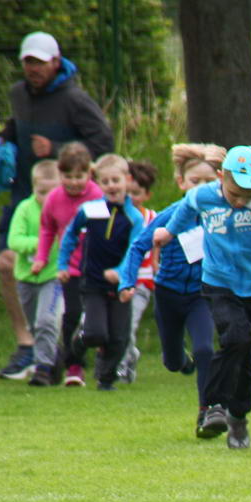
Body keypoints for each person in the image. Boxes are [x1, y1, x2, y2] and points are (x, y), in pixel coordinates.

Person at [119, 145, 251, 449]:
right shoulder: (204, 195)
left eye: (248, 195)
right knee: (236, 337)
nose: (240, 201)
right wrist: (168, 233)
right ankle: (213, 406)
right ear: (222, 177)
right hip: (217, 283)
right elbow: (186, 209)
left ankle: (238, 417)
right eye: (235, 193)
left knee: (245, 358)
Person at [0, 31, 114, 377]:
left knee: (68, 272)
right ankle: (27, 345)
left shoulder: (74, 99)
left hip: (65, 200)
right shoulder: (18, 94)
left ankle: (64, 346)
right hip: (24, 195)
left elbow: (104, 142)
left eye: (40, 62)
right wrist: (0, 142)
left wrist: (56, 148)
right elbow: (19, 124)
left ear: (56, 62)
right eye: (28, 62)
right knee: (7, 263)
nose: (33, 68)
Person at [127, 145, 223, 418]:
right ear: (181, 182)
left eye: (209, 182)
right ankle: (180, 359)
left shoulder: (221, 218)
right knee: (172, 361)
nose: (201, 188)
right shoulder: (171, 215)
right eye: (195, 181)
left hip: (201, 295)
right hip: (168, 295)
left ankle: (207, 411)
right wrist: (128, 282)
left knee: (205, 349)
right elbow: (138, 247)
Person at [56, 152, 143, 391]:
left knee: (118, 337)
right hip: (93, 283)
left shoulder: (134, 218)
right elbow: (70, 235)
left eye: (116, 180)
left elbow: (135, 250)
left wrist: (121, 273)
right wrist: (63, 265)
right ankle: (79, 342)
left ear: (127, 180)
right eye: (105, 182)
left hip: (121, 285)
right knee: (96, 333)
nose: (111, 186)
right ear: (98, 183)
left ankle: (106, 379)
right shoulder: (90, 210)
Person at [29, 141, 100, 386]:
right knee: (71, 316)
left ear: (89, 173)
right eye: (68, 176)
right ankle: (74, 366)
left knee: (96, 318)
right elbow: (47, 229)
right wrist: (41, 257)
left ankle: (102, 359)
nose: (74, 182)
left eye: (79, 176)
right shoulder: (54, 199)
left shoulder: (97, 196)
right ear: (60, 174)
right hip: (69, 269)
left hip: (95, 268)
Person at [3, 160, 62, 382]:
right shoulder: (25, 209)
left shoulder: (63, 210)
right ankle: (55, 358)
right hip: (27, 278)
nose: (46, 198)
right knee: (35, 324)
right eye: (41, 192)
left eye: (52, 192)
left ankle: (42, 368)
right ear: (33, 188)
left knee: (47, 320)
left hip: (53, 276)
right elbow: (14, 240)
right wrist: (41, 243)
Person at [118, 158, 160, 384]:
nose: (131, 198)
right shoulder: (114, 216)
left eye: (136, 193)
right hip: (116, 278)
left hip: (141, 283)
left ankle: (124, 366)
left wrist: (157, 269)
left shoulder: (152, 218)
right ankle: (125, 355)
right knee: (114, 325)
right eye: (128, 193)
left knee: (128, 323)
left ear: (146, 195)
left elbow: (157, 248)